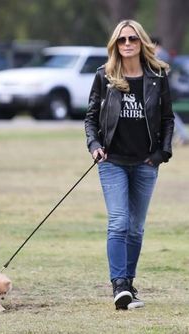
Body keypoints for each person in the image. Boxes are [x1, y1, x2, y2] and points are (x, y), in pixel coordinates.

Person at [85, 19, 174, 310]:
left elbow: (167, 119)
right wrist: (95, 146)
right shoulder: (105, 75)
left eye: (132, 39)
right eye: (121, 40)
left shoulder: (157, 76)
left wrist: (162, 153)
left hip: (146, 162)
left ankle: (128, 286)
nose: (126, 44)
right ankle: (119, 286)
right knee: (119, 222)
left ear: (141, 42)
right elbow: (91, 119)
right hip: (113, 161)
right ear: (115, 44)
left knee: (135, 228)